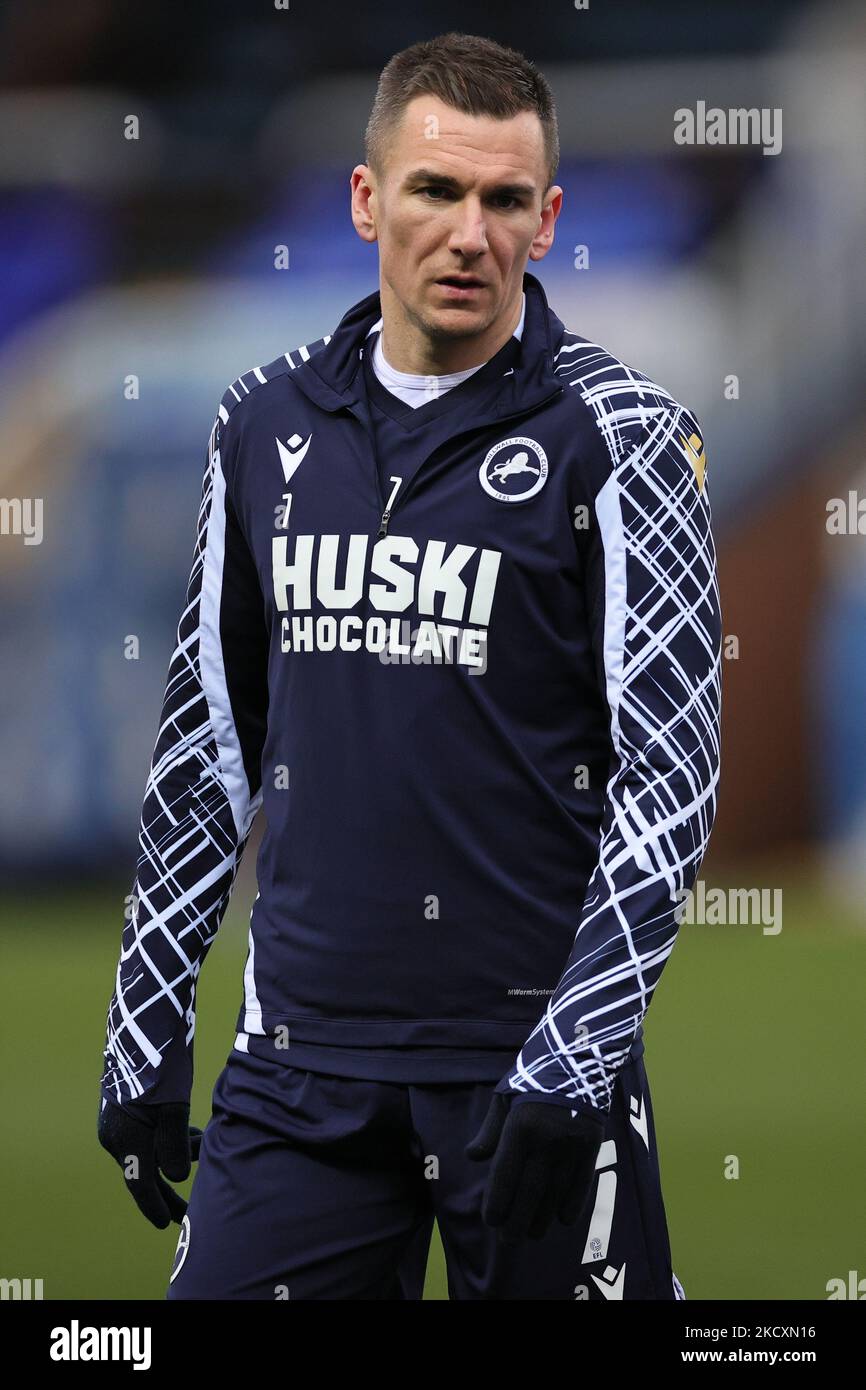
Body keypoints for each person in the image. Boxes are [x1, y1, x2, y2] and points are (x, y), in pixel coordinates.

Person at [97, 30, 722, 1301]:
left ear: (546, 221)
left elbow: (672, 778)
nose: (468, 234)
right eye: (436, 191)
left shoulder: (626, 439)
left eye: (504, 201)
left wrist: (573, 1059)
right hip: (295, 1072)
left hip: (529, 1072)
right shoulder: (262, 420)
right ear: (366, 199)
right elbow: (206, 743)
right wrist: (148, 1022)